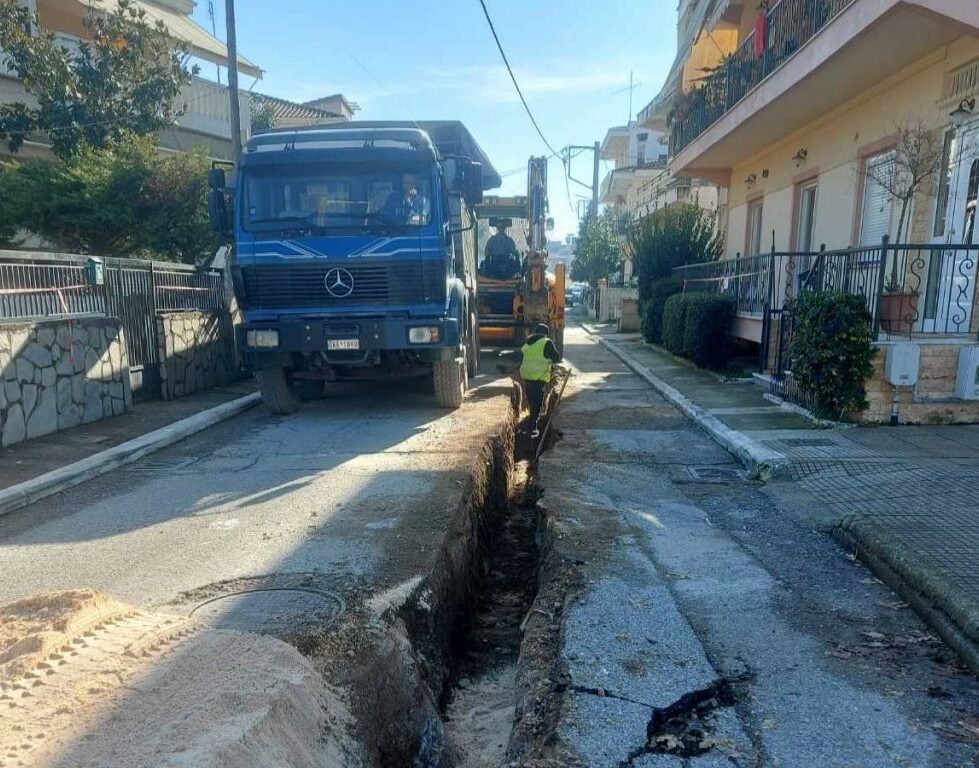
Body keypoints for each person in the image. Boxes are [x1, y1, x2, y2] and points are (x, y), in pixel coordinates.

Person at [519, 323, 563, 438]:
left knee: (532, 401)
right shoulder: (546, 342)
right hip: (538, 377)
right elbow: (556, 357)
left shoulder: (529, 342)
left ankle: (530, 424)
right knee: (537, 404)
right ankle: (532, 428)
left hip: (527, 376)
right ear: (545, 333)